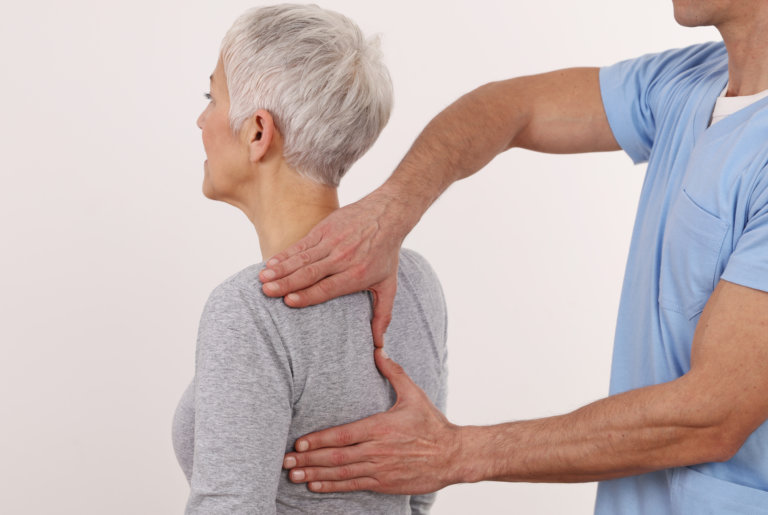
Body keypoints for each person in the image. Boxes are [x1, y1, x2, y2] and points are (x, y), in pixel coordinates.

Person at [265, 1, 768, 513]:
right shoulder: (685, 81)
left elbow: (714, 415)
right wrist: (392, 211)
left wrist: (458, 452)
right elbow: (509, 107)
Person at [171, 5, 448, 513]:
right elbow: (417, 497)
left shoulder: (251, 310)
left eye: (212, 96)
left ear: (258, 132)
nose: (201, 118)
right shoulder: (414, 283)